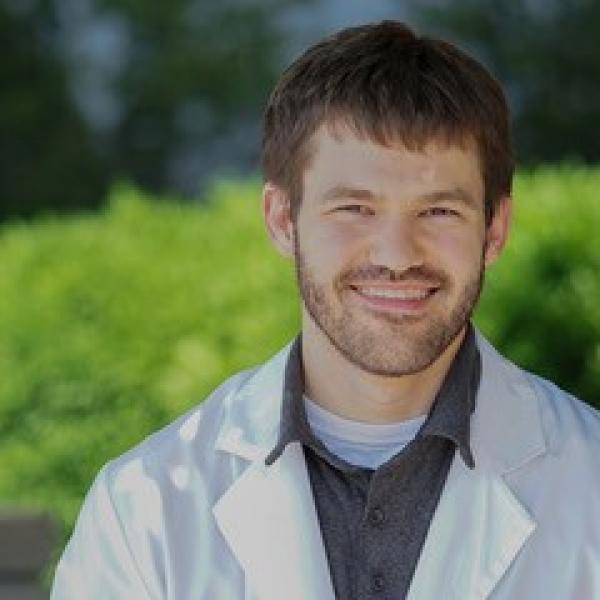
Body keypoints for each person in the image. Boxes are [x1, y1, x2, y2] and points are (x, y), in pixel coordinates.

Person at [51, 21, 600, 600]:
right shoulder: (144, 510)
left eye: (439, 211)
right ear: (282, 220)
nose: (396, 256)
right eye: (355, 208)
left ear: (495, 229)